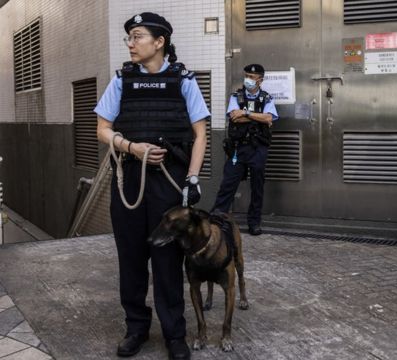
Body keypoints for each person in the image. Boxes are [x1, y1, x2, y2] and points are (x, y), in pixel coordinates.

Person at [95, 12, 210, 360]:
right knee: (130, 258)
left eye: (138, 36)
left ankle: (175, 333)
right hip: (130, 181)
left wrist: (191, 179)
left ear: (159, 42)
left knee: (167, 260)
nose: (130, 43)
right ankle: (136, 328)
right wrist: (132, 147)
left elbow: (201, 134)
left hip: (169, 183)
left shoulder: (183, 80)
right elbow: (103, 129)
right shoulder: (121, 80)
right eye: (129, 37)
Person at [211, 64, 278, 236]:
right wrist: (257, 117)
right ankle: (217, 219)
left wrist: (246, 113)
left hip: (258, 149)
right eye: (246, 75)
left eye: (252, 77)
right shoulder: (237, 96)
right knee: (228, 184)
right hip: (238, 149)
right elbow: (234, 117)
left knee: (257, 187)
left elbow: (269, 118)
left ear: (260, 80)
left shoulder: (267, 98)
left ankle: (254, 222)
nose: (248, 79)